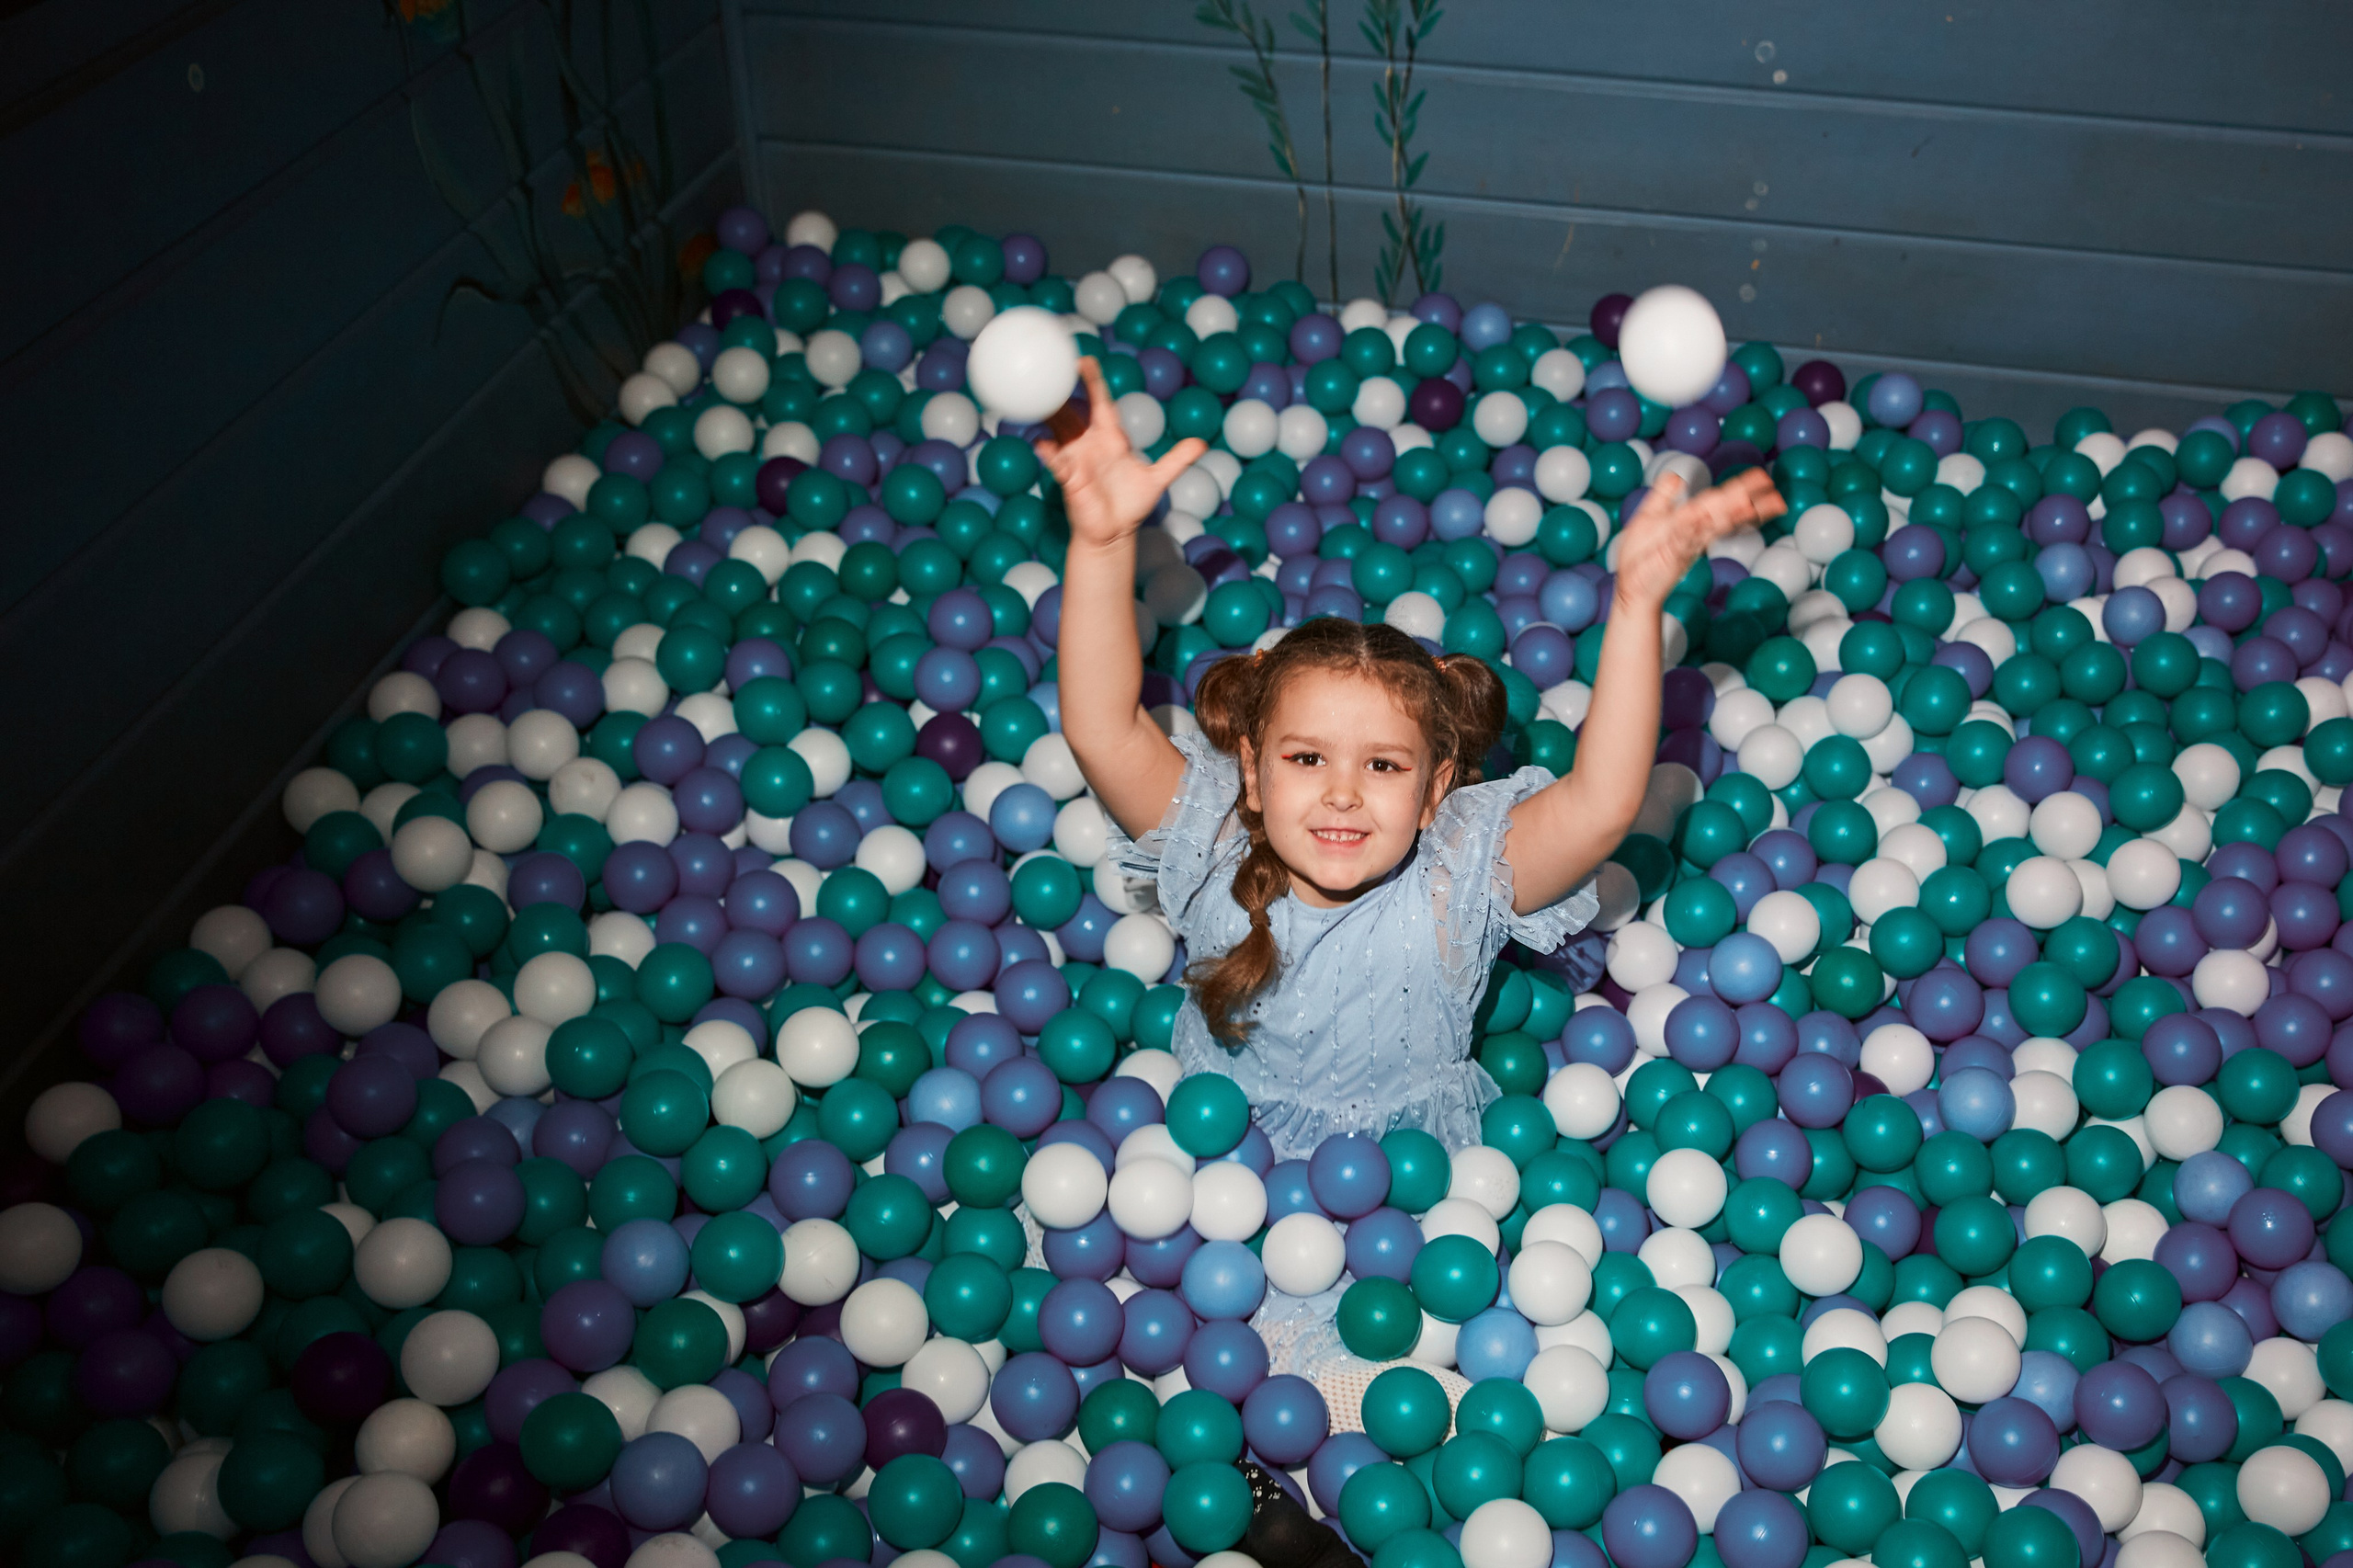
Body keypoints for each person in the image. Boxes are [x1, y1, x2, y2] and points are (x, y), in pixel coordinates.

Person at [1041, 357, 1784, 1160]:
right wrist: (1103, 543)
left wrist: (1636, 606)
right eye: (1307, 759)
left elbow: (1601, 804)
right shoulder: (1212, 844)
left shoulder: (1454, 884)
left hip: (1405, 1181)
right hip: (1207, 1156)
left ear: (1436, 792)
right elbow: (1103, 729)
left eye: (1383, 766)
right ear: (1251, 772)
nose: (1343, 793)